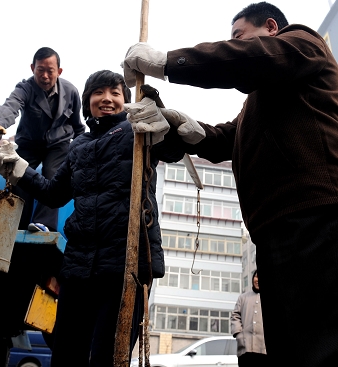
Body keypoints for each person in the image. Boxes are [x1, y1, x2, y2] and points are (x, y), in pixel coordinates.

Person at [122, 2, 338, 366]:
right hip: (275, 229)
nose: (234, 44)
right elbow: (222, 139)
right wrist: (175, 126)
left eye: (238, 36)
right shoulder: (259, 103)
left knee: (322, 343)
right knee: (292, 347)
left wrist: (167, 62)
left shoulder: (302, 42)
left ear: (271, 27)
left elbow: (250, 58)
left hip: (317, 214)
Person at [0, 70, 185, 367]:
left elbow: (172, 149)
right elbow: (54, 193)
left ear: (125, 101)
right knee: (66, 354)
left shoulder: (138, 131)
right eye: (98, 93)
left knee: (109, 357)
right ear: (87, 102)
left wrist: (160, 119)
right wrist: (19, 169)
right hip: (78, 267)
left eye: (115, 93)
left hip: (125, 264)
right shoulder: (78, 145)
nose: (106, 99)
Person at [0, 47, 85, 232]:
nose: (45, 76)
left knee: (54, 173)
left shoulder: (71, 92)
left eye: (50, 71)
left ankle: (45, 224)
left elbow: (78, 126)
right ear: (32, 68)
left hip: (58, 145)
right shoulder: (25, 88)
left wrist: (82, 149)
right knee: (18, 174)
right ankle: (17, 223)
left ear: (59, 71)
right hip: (29, 144)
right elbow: (10, 106)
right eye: (40, 70)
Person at [231, 270, 267, 366]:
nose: (258, 280)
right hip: (245, 348)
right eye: (256, 277)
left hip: (264, 350)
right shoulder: (243, 298)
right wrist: (239, 335)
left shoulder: (271, 298)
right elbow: (235, 316)